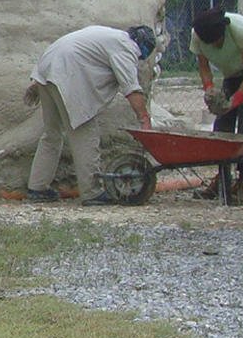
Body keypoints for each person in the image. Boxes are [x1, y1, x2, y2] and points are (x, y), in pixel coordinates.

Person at [26, 25, 156, 204]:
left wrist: (39, 84)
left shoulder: (109, 35)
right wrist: (145, 120)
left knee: (52, 135)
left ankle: (37, 188)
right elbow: (131, 87)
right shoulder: (127, 47)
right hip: (66, 75)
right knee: (85, 135)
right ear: (143, 47)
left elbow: (72, 50)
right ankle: (92, 192)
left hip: (46, 70)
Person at [189, 7, 243, 206]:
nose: (214, 46)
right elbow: (204, 67)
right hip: (231, 74)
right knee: (221, 129)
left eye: (217, 42)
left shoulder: (241, 31)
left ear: (223, 33)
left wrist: (234, 101)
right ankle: (222, 179)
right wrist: (209, 89)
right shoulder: (198, 35)